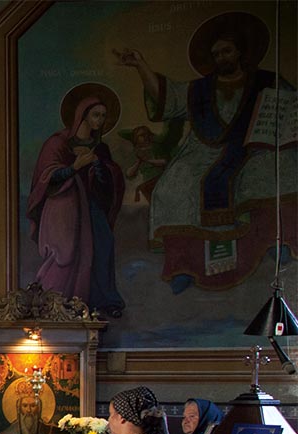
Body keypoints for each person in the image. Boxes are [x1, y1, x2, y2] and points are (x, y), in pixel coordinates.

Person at [115, 23, 296, 291]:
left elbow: (292, 111)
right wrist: (141, 65)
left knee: (270, 173)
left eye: (226, 51)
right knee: (173, 185)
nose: (221, 57)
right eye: (216, 54)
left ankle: (275, 242)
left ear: (240, 52)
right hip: (204, 151)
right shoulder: (199, 89)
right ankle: (183, 265)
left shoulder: (268, 82)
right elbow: (167, 99)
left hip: (253, 148)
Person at [27, 94, 125, 317]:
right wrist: (75, 166)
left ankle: (103, 301)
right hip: (65, 205)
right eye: (96, 115)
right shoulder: (58, 143)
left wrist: (98, 166)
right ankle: (60, 300)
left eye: (103, 116)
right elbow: (47, 176)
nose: (100, 121)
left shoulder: (100, 147)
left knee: (104, 244)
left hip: (91, 205)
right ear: (83, 114)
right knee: (68, 251)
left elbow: (109, 181)